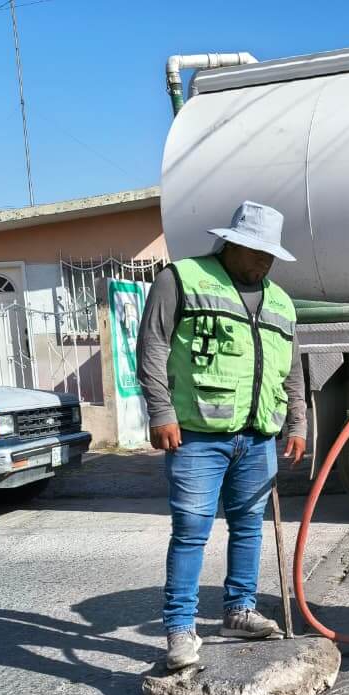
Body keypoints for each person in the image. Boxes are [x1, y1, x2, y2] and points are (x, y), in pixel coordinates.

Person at [137, 201, 307, 669]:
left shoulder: (281, 301)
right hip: (196, 434)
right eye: (256, 251)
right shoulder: (181, 279)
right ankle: (179, 629)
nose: (264, 261)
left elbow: (292, 370)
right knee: (191, 531)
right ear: (231, 243)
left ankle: (239, 609)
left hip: (258, 436)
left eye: (271, 253)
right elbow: (152, 346)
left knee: (249, 525)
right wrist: (160, 411)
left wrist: (297, 421)